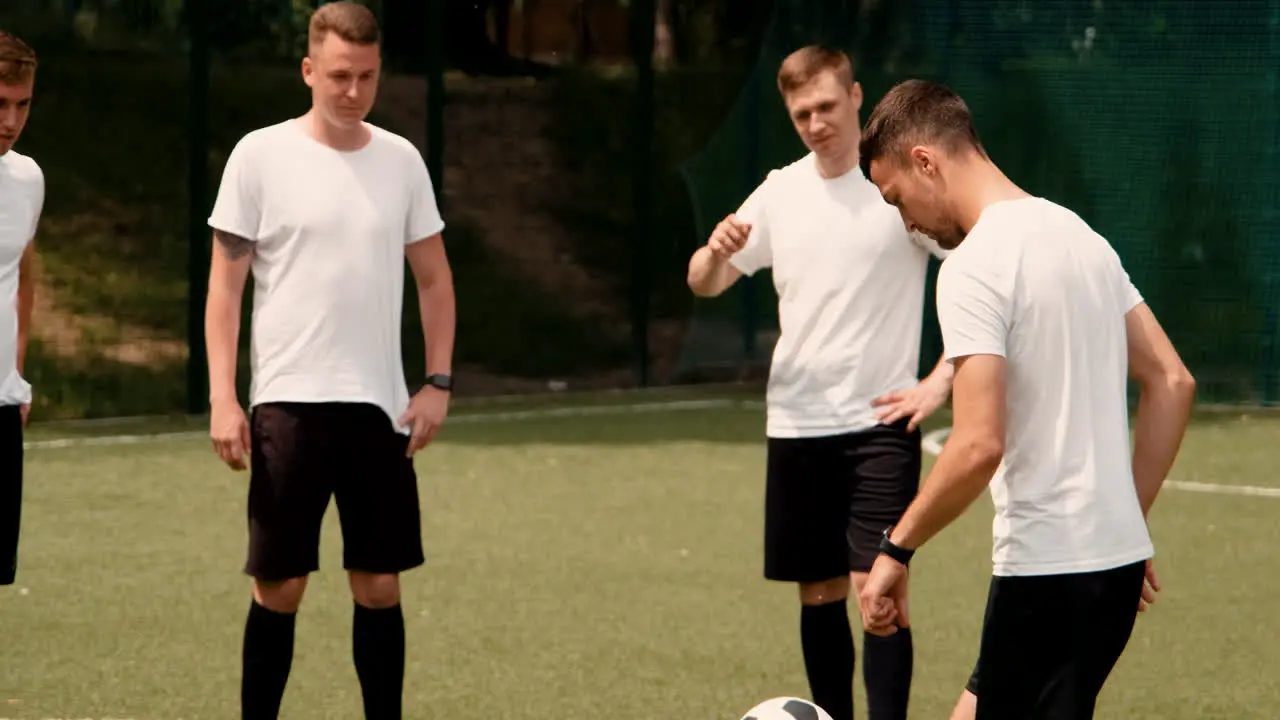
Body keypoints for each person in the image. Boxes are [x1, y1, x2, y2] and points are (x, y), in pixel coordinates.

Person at [854, 78, 1196, 719]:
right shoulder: (1079, 235)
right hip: (1109, 573)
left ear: (925, 161)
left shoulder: (972, 266)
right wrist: (1125, 520)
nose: (905, 221)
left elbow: (979, 442)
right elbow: (1172, 382)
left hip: (1046, 572)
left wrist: (894, 550)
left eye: (896, 197)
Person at [203, 3, 456, 718]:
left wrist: (436, 381)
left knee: (380, 585)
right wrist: (225, 397)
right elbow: (226, 288)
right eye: (339, 75)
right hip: (286, 403)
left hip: (380, 409)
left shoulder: (401, 160)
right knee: (280, 587)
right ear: (309, 70)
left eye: (367, 77)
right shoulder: (259, 156)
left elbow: (434, 279)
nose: (353, 91)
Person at [686, 46, 951, 720]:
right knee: (820, 594)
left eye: (827, 106)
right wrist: (715, 254)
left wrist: (941, 378)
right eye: (801, 112)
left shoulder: (894, 184)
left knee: (878, 592)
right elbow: (704, 282)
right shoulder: (781, 190)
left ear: (857, 97)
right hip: (797, 425)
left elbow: (983, 267)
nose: (815, 122)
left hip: (881, 426)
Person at [0, 29, 42, 590]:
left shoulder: (27, 178)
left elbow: (23, 276)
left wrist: (18, 371)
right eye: (0, 104)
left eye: (22, 104)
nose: (10, 119)